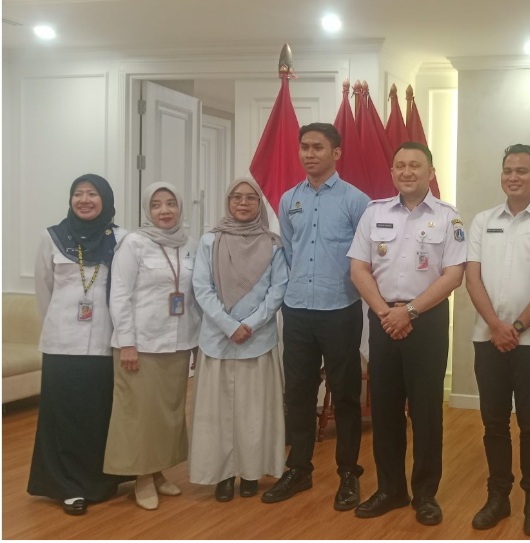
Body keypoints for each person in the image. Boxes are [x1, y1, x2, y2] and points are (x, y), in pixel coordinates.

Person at [348, 141, 466, 526]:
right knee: (384, 408)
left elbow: (454, 275)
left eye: (415, 165)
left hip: (426, 320)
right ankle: (391, 489)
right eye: (400, 165)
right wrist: (387, 312)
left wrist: (409, 312)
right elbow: (358, 269)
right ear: (392, 172)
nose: (407, 171)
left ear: (430, 172)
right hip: (384, 317)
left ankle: (426, 494)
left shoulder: (448, 217)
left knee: (426, 411)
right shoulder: (375, 212)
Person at [264, 122, 370, 510]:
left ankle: (348, 473)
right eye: (304, 147)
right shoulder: (289, 198)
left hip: (340, 309)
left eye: (318, 147)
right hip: (298, 310)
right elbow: (290, 251)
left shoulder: (356, 200)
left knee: (344, 395)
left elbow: (365, 256)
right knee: (298, 392)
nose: (309, 154)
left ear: (336, 153)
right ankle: (299, 469)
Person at [465, 144, 530, 537]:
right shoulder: (482, 221)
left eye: (522, 171)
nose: (513, 177)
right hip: (487, 339)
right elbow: (472, 278)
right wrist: (495, 326)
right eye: (508, 170)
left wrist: (517, 327)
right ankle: (498, 496)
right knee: (493, 422)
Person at [28, 174, 131, 516]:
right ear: (70, 200)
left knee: (98, 415)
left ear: (106, 200)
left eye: (92, 194)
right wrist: (55, 326)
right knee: (64, 417)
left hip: (103, 341)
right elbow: (44, 290)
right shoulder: (52, 238)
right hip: (61, 343)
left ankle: (101, 480)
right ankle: (68, 486)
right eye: (78, 194)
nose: (84, 200)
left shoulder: (121, 239)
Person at [188, 177, 288, 502]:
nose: (243, 203)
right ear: (228, 201)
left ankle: (251, 472)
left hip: (258, 340)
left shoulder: (273, 244)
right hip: (218, 339)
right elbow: (201, 288)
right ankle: (223, 474)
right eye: (236, 197)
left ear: (259, 204)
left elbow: (278, 290)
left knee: (254, 412)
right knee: (216, 414)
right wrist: (229, 325)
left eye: (250, 198)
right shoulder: (210, 241)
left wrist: (251, 324)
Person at [103, 182, 201, 510]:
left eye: (171, 203)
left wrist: (196, 341)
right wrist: (127, 344)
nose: (164, 210)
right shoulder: (133, 243)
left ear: (180, 206)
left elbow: (195, 296)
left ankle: (158, 471)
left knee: (168, 415)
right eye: (157, 204)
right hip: (141, 344)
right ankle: (141, 477)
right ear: (147, 209)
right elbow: (119, 294)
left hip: (178, 343)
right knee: (139, 415)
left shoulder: (189, 244)